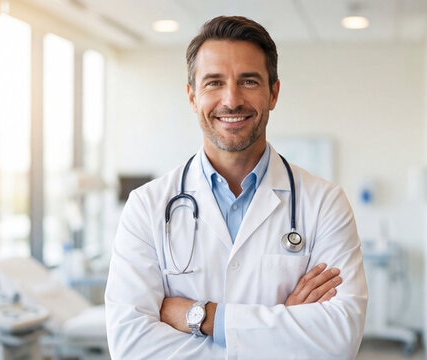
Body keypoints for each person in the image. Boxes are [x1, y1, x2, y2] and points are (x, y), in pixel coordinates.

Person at [105, 16, 368, 359]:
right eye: (214, 82)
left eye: (248, 81)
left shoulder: (325, 203)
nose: (231, 100)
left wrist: (203, 316)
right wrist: (282, 326)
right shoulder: (146, 206)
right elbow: (131, 346)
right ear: (192, 96)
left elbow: (339, 337)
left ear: (273, 93)